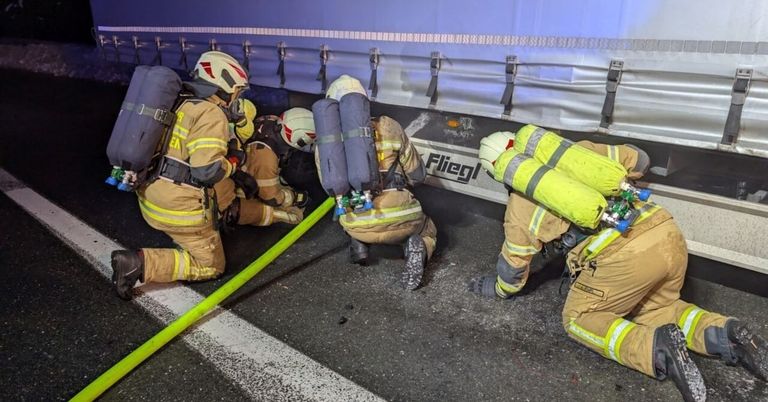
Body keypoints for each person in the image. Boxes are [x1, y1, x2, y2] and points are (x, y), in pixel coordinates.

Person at [472, 130, 768, 402]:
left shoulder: (519, 208)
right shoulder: (581, 150)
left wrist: (499, 289)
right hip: (666, 233)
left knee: (579, 318)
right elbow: (641, 159)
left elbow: (513, 270)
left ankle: (657, 349)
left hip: (625, 257)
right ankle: (726, 334)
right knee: (658, 309)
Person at [110, 51, 251, 300]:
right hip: (179, 211)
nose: (236, 98)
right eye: (237, 92)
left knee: (224, 188)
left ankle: (221, 218)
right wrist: (233, 162)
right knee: (211, 267)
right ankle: (139, 263)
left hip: (150, 197)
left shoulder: (177, 102)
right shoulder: (210, 113)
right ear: (226, 84)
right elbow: (207, 172)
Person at [316, 75, 437, 290]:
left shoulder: (326, 143)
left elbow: (331, 187)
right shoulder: (389, 126)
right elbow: (417, 175)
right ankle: (417, 247)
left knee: (346, 205)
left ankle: (359, 246)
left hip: (355, 223)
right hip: (400, 219)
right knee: (428, 228)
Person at [216, 101, 312, 229]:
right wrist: (292, 197)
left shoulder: (269, 121)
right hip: (237, 191)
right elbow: (271, 197)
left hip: (238, 173)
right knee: (296, 216)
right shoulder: (267, 158)